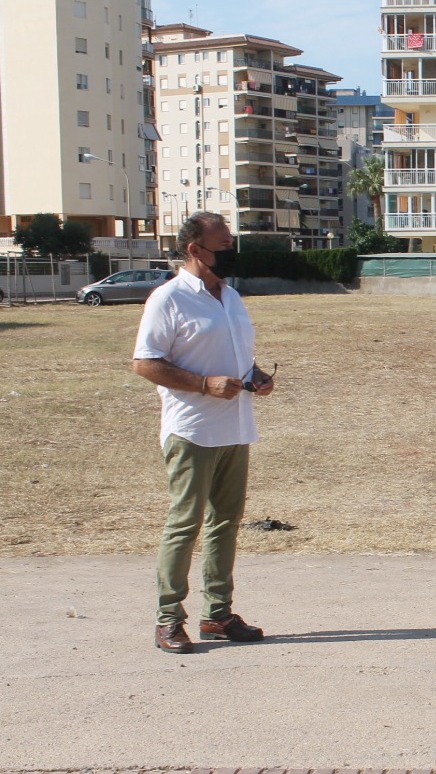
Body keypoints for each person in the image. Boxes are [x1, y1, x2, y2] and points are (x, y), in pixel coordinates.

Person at [132, 212, 275, 654]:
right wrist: (203, 384)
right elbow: (145, 363)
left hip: (235, 427)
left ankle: (218, 614)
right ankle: (168, 619)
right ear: (195, 249)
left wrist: (255, 375)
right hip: (192, 429)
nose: (232, 252)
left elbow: (235, 356)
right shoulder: (169, 299)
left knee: (225, 524)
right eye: (224, 245)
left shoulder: (230, 296)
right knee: (185, 525)